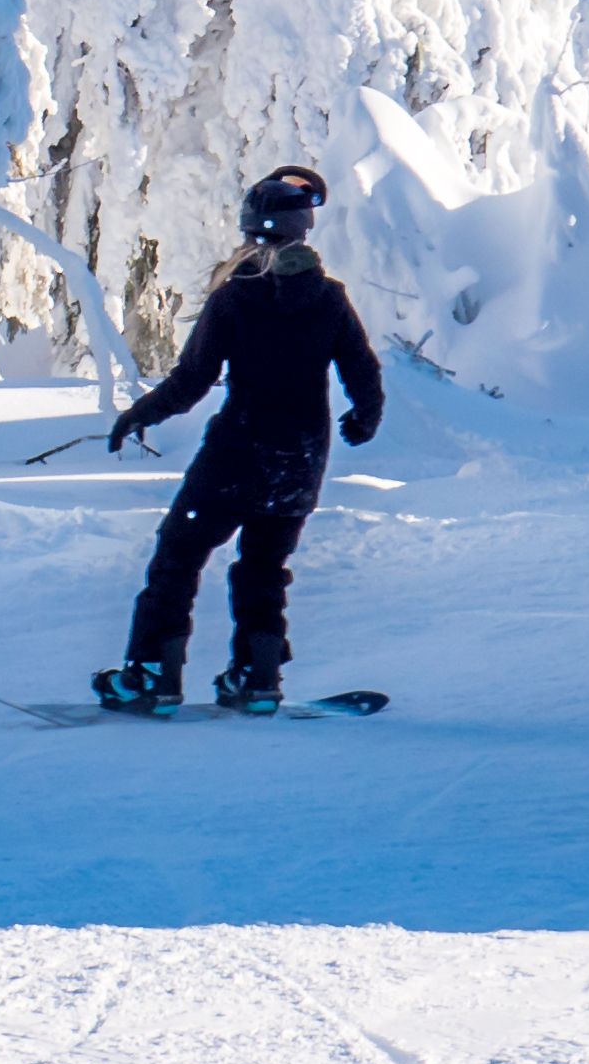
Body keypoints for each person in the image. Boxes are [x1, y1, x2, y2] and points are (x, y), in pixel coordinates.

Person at [92, 164, 386, 713]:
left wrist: (140, 415)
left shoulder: (234, 298)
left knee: (178, 559)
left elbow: (191, 381)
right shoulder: (329, 299)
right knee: (263, 568)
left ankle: (152, 675)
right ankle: (257, 680)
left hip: (236, 456)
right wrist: (364, 418)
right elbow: (362, 371)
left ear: (251, 230)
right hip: (299, 462)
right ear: (303, 230)